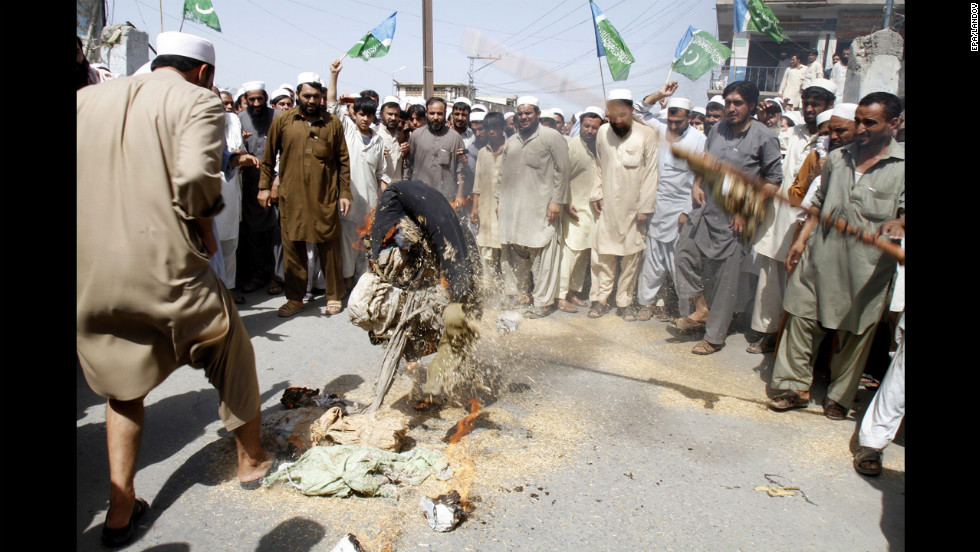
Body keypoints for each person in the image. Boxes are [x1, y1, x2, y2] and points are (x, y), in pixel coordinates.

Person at [77, 31, 276, 547]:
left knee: (123, 385)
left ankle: (121, 507)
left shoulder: (86, 99)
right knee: (230, 346)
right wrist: (205, 223)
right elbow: (195, 181)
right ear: (204, 72)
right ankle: (252, 460)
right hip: (165, 264)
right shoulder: (198, 101)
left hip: (92, 271)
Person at [768, 92, 905, 420]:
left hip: (866, 269)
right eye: (857, 120)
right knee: (800, 316)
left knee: (855, 332)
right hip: (820, 255)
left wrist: (899, 223)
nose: (860, 128)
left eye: (869, 122)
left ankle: (839, 398)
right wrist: (801, 241)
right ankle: (794, 387)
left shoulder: (901, 169)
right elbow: (819, 203)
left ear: (895, 124)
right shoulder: (839, 159)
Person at [671, 81, 783, 355]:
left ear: (752, 106)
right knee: (683, 253)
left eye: (738, 103)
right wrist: (697, 183)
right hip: (707, 209)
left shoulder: (764, 136)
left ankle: (714, 337)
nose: (731, 108)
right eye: (728, 102)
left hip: (737, 218)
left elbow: (773, 181)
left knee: (725, 279)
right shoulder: (717, 130)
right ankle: (701, 309)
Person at [746, 79, 836, 354]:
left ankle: (792, 340)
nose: (809, 109)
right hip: (779, 216)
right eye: (807, 103)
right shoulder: (792, 132)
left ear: (828, 106)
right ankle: (768, 332)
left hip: (809, 220)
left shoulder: (832, 139)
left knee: (799, 281)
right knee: (770, 276)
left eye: (816, 104)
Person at [259, 71, 352, 317]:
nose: (311, 101)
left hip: (324, 196)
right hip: (292, 197)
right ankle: (295, 298)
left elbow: (343, 161)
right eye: (306, 95)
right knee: (293, 247)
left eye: (316, 96)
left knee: (328, 246)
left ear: (322, 96)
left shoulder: (332, 123)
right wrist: (264, 187)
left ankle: (333, 294)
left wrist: (344, 192)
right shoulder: (283, 121)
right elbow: (268, 157)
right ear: (298, 94)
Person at [497, 95, 571, 318]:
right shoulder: (511, 141)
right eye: (520, 113)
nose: (524, 117)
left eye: (528, 113)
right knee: (515, 253)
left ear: (538, 114)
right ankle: (520, 294)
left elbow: (563, 171)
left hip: (542, 208)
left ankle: (543, 302)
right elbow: (502, 175)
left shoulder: (552, 137)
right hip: (513, 209)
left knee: (543, 255)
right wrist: (499, 201)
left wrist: (557, 201)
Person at [587, 89, 659, 319]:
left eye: (621, 114)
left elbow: (651, 173)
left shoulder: (647, 134)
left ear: (629, 111)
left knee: (631, 257)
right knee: (603, 255)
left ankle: (624, 303)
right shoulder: (603, 133)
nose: (617, 121)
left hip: (634, 209)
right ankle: (600, 300)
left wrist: (645, 208)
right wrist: (596, 193)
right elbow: (598, 165)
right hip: (607, 206)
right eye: (612, 115)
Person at [634, 96, 706, 322]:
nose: (673, 127)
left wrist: (687, 210)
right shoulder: (661, 128)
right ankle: (646, 303)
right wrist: (657, 94)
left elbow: (698, 177)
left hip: (681, 210)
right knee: (653, 259)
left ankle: (685, 311)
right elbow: (637, 111)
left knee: (679, 262)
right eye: (671, 122)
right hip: (657, 205)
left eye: (679, 122)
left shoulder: (698, 140)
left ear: (690, 118)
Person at [327, 59, 389, 290]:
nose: (364, 118)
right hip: (347, 200)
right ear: (354, 114)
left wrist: (385, 202)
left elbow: (382, 174)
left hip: (369, 203)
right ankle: (344, 284)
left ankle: (361, 287)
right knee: (345, 244)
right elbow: (332, 105)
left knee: (365, 246)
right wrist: (333, 75)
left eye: (369, 115)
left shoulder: (377, 140)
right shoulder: (346, 131)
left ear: (374, 117)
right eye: (361, 114)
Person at [237, 81, 283, 296]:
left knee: (277, 233)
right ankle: (257, 275)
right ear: (245, 99)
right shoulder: (240, 120)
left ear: (266, 97)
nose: (256, 103)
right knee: (254, 232)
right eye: (251, 99)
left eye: (259, 99)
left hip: (276, 184)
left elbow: (285, 151)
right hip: (251, 185)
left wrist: (277, 180)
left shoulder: (278, 117)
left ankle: (277, 277)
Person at [555, 106, 602, 313]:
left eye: (594, 127)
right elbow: (561, 176)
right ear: (580, 125)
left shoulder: (599, 148)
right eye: (586, 126)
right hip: (573, 207)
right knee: (571, 251)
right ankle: (560, 294)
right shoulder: (572, 146)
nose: (590, 131)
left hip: (591, 209)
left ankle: (574, 291)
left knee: (584, 251)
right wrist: (565, 202)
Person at [406, 97, 465, 208]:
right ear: (426, 113)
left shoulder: (455, 138)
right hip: (419, 196)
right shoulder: (416, 136)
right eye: (432, 113)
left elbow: (460, 169)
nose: (436, 117)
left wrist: (460, 195)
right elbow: (408, 165)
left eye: (439, 113)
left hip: (445, 198)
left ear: (445, 114)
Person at [470, 112, 507, 284]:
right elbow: (477, 183)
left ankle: (509, 291)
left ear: (503, 128)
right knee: (486, 250)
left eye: (496, 128)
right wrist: (474, 209)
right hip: (485, 209)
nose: (492, 132)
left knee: (506, 251)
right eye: (489, 128)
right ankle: (489, 288)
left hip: (505, 210)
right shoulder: (483, 153)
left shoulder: (510, 151)